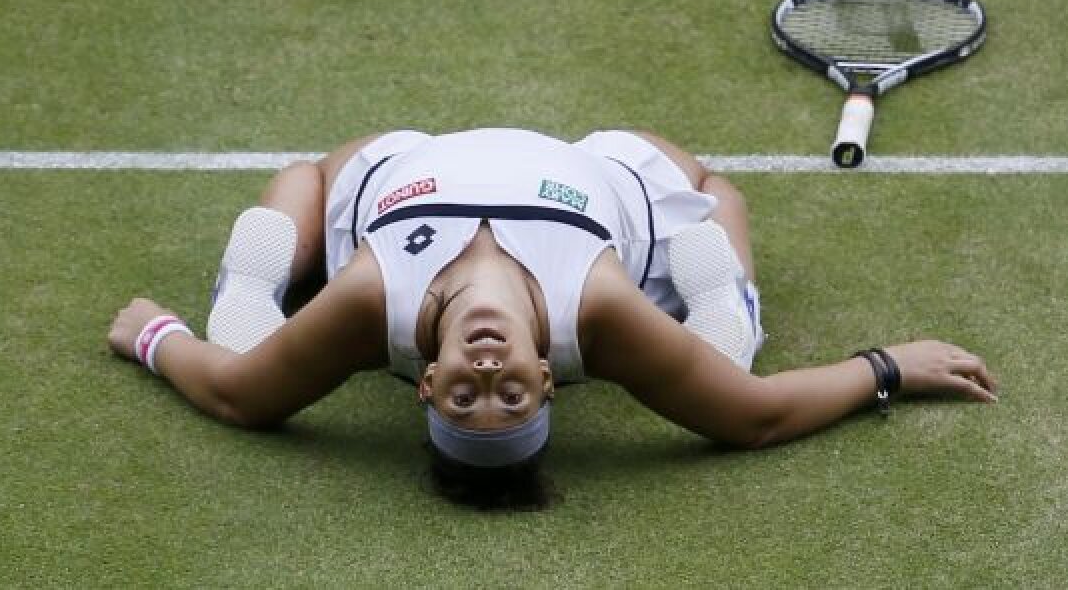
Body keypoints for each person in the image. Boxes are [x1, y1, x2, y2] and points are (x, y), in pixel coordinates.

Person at [107, 128, 998, 510]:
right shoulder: (597, 309)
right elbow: (749, 415)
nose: (487, 376)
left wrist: (155, 337)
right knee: (714, 235)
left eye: (464, 399)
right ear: (549, 384)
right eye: (511, 399)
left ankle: (245, 279)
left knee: (278, 227)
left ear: (425, 382)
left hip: (408, 166)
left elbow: (239, 398)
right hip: (602, 178)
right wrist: (885, 368)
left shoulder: (376, 299)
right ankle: (732, 299)